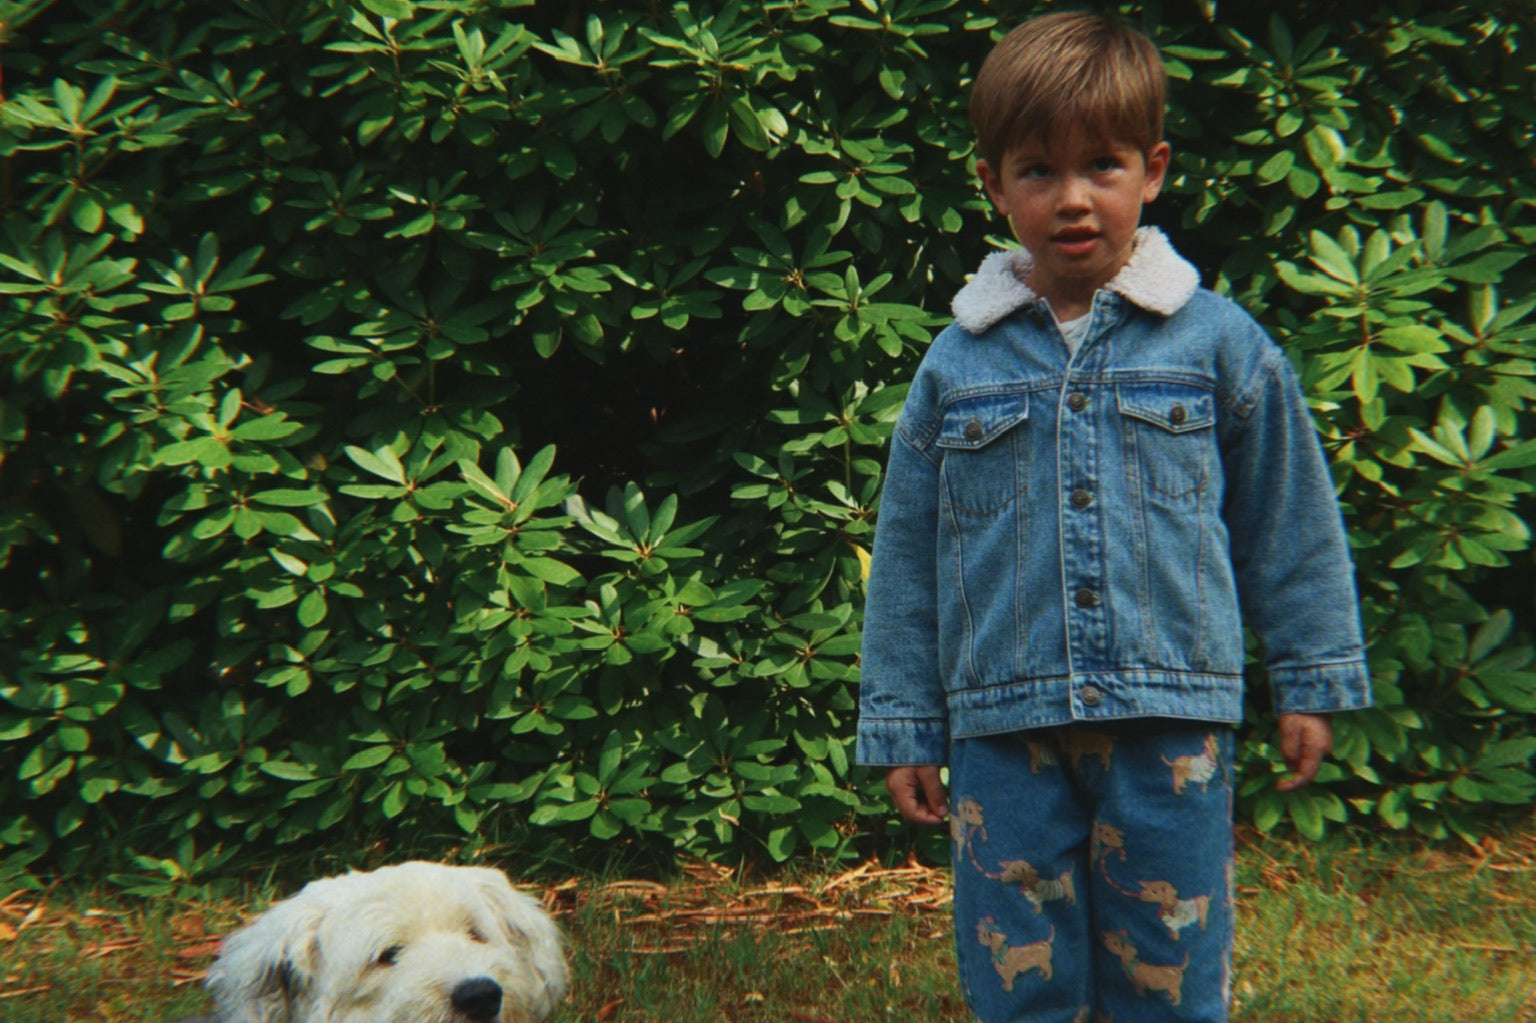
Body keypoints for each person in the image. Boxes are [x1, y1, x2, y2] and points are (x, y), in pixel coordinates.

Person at [855, 12, 1372, 1023]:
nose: (1074, 197)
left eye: (1104, 164)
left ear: (1155, 169)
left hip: (1170, 719)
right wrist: (905, 722)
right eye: (1038, 170)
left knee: (1167, 970)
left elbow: (1288, 515)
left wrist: (1310, 676)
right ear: (995, 186)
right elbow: (910, 553)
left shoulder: (1219, 346)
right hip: (1003, 726)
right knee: (1020, 974)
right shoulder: (957, 367)